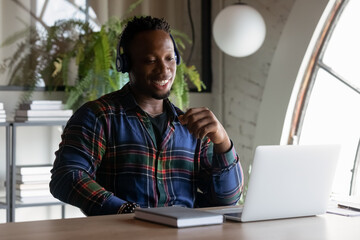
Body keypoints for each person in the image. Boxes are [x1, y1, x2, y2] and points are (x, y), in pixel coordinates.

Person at [50, 16, 243, 216]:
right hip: (121, 233)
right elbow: (67, 176)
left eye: (169, 58)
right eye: (151, 60)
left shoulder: (191, 126)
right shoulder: (99, 116)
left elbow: (227, 199)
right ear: (126, 64)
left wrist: (222, 142)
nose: (164, 69)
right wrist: (125, 211)